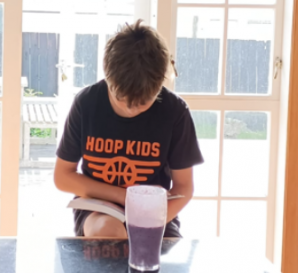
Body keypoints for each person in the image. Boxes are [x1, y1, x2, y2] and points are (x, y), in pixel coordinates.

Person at [54, 20, 203, 238]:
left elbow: (183, 188)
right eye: (120, 99)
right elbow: (62, 177)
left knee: (146, 248)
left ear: (162, 81)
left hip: (155, 216)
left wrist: (148, 221)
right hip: (98, 209)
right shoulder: (87, 103)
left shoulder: (175, 111)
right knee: (108, 232)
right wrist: (124, 197)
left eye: (143, 102)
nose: (131, 109)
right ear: (107, 74)